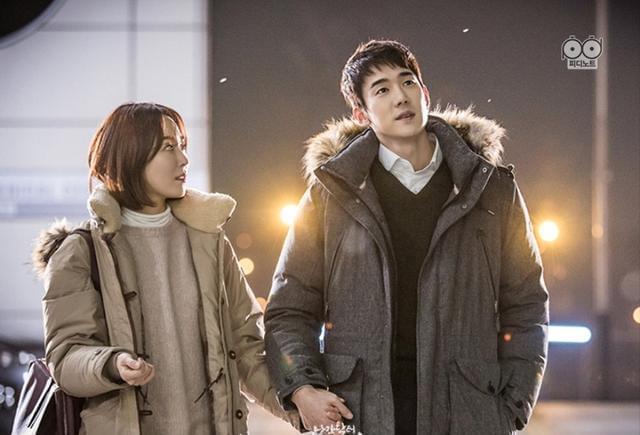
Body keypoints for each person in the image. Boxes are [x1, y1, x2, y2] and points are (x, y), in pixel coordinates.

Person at [264, 40, 549, 434]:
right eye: (382, 89)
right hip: (359, 415)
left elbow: (527, 307)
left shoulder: (491, 190)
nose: (400, 97)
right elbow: (289, 309)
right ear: (362, 114)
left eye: (407, 82)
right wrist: (302, 388)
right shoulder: (330, 195)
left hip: (466, 416)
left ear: (425, 94)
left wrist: (511, 408)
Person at [33, 102, 297, 435]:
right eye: (168, 148)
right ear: (130, 155)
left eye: (182, 146)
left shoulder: (210, 241)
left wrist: (300, 407)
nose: (183, 159)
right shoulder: (81, 251)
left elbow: (247, 348)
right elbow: (66, 357)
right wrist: (111, 364)